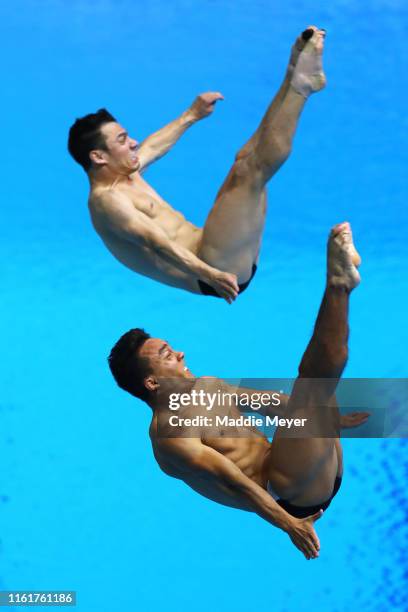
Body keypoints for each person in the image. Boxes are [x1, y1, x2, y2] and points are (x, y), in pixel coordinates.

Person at [107, 223, 369, 559]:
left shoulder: (208, 386)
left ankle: (340, 287)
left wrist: (326, 424)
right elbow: (236, 484)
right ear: (152, 383)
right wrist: (290, 525)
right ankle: (339, 284)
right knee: (313, 386)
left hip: (307, 465)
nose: (181, 354)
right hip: (289, 496)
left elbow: (270, 404)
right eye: (167, 357)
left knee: (315, 399)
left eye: (172, 348)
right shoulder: (171, 439)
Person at [68, 26, 327, 303]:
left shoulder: (124, 172)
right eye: (122, 140)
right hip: (213, 269)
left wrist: (191, 115)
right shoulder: (106, 202)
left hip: (218, 252)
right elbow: (157, 243)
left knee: (246, 159)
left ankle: (292, 75)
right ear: (98, 157)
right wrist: (211, 274)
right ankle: (301, 88)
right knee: (249, 171)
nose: (133, 142)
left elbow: (154, 146)